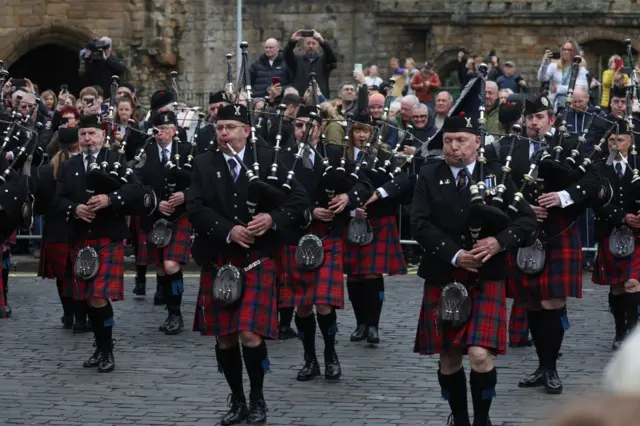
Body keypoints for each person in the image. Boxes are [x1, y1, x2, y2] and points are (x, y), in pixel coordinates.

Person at [411, 108, 537, 426]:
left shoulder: (496, 174)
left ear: (477, 142)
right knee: (449, 357)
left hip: (487, 275)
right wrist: (454, 254)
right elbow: (419, 224)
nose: (454, 147)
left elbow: (527, 220)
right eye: (449, 140)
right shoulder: (429, 174)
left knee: (480, 355)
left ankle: (482, 419)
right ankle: (459, 418)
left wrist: (498, 243)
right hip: (444, 274)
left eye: (462, 140)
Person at [188, 104, 307, 425]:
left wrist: (272, 219)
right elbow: (194, 207)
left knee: (249, 334)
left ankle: (257, 398)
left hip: (257, 260)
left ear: (247, 131)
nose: (223, 132)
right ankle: (237, 399)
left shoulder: (268, 160)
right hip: (219, 258)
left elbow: (298, 201)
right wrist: (227, 230)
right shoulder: (203, 162)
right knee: (224, 337)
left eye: (230, 127)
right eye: (219, 127)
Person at [278, 105, 373, 381]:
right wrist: (308, 211)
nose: (304, 130)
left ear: (320, 127)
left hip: (327, 235)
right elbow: (276, 198)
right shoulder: (281, 159)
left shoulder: (335, 154)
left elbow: (363, 183)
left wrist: (348, 198)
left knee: (323, 304)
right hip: (296, 236)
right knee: (303, 305)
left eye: (309, 125)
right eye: (298, 125)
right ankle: (310, 359)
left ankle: (330, 354)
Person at [54, 114, 144, 373]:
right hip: (81, 237)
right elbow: (58, 201)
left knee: (97, 296)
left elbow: (137, 191)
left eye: (92, 133)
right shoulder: (69, 166)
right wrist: (75, 208)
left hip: (107, 236)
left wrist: (110, 199)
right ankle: (99, 346)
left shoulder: (114, 160)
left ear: (102, 136)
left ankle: (106, 350)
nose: (87, 139)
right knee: (89, 298)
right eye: (83, 134)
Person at [135, 110, 193, 335]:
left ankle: (176, 313)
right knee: (160, 267)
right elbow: (137, 184)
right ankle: (170, 309)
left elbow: (200, 181)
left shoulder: (187, 151)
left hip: (179, 216)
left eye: (166, 130)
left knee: (171, 265)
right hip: (153, 215)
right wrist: (156, 203)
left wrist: (185, 195)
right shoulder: (145, 153)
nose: (161, 134)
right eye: (157, 130)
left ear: (174, 131)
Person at [592, 122, 640, 349]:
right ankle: (620, 330)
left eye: (620, 140)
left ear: (630, 142)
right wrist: (622, 216)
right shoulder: (600, 167)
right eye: (612, 140)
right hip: (611, 231)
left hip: (638, 233)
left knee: (632, 283)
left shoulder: (638, 165)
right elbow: (596, 200)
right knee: (617, 286)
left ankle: (632, 332)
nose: (615, 145)